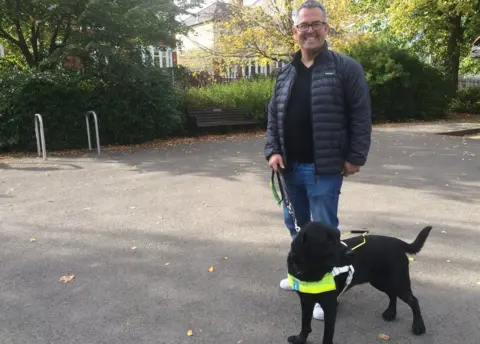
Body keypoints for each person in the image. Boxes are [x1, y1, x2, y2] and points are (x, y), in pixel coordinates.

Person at [264, 0, 372, 321]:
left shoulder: (345, 67)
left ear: (326, 28)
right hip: (289, 168)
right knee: (295, 226)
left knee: (325, 231)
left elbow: (361, 115)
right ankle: (302, 278)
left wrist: (355, 156)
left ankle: (329, 290)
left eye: (316, 24)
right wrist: (272, 150)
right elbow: (272, 117)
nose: (309, 30)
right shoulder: (285, 73)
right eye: (303, 25)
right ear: (295, 31)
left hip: (323, 167)